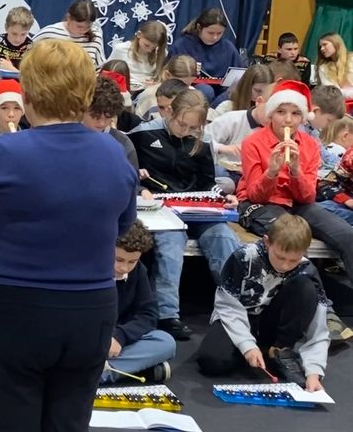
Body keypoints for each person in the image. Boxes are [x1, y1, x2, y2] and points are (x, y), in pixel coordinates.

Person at [0, 39, 138, 432]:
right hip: (91, 308)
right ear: (86, 94)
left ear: (28, 95)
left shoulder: (2, 152)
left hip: (17, 308)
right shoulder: (114, 154)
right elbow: (121, 225)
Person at [128, 89, 242, 341]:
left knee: (224, 238)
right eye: (182, 124)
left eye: (193, 127)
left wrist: (221, 197)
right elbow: (128, 173)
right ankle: (168, 314)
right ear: (168, 111)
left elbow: (208, 182)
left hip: (197, 209)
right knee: (170, 243)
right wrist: (142, 188)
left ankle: (239, 306)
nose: (186, 131)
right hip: (159, 210)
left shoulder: (203, 140)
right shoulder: (142, 134)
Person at [235, 79, 353, 299]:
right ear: (271, 113)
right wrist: (271, 172)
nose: (288, 120)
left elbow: (307, 196)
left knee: (347, 235)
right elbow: (254, 195)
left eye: (295, 114)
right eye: (281, 112)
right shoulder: (253, 142)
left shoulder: (309, 144)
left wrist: (296, 171)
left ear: (303, 117)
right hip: (262, 204)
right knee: (292, 239)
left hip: (298, 203)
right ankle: (317, 304)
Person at [195, 214, 329, 390]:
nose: (286, 266)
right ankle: (255, 350)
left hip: (271, 324)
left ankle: (280, 350)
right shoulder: (243, 257)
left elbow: (318, 327)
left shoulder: (306, 270)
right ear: (267, 242)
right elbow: (227, 306)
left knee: (306, 286)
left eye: (293, 260)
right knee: (212, 362)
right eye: (280, 257)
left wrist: (314, 371)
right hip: (239, 318)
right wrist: (247, 345)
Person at [101, 221, 176, 384]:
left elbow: (148, 314)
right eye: (118, 259)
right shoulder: (86, 269)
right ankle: (107, 372)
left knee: (165, 342)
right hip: (87, 339)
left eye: (132, 261)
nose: (124, 268)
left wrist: (120, 336)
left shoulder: (138, 271)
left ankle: (101, 373)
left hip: (114, 342)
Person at [169, 8, 248, 101]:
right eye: (210, 33)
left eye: (219, 33)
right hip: (190, 93)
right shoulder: (182, 45)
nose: (215, 37)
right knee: (206, 91)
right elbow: (169, 75)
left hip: (221, 95)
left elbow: (239, 75)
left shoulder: (228, 47)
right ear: (199, 28)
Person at [32, 0, 106, 68]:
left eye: (88, 27)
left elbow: (100, 67)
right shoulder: (49, 33)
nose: (83, 31)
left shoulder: (96, 36)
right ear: (69, 18)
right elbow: (26, 55)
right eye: (79, 26)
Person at [107, 20, 168, 94]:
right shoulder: (121, 49)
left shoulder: (161, 53)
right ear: (139, 35)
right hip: (124, 91)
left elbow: (161, 77)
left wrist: (156, 83)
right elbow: (108, 72)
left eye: (153, 48)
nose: (149, 50)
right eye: (146, 45)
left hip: (148, 91)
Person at [134, 56, 198, 120]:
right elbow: (139, 125)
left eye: (187, 85)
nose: (182, 89)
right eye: (177, 84)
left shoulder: (194, 96)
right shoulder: (148, 96)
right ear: (167, 75)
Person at [209, 63, 274, 120]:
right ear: (247, 86)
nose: (261, 96)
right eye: (257, 90)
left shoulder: (270, 107)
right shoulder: (226, 103)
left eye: (266, 92)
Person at [0, 6, 34, 70]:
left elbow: (32, 78)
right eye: (14, 34)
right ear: (6, 27)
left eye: (23, 34)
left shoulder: (32, 49)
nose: (18, 39)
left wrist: (11, 69)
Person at [317, 32, 353, 99]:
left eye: (325, 44)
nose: (321, 49)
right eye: (320, 47)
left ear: (336, 44)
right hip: (340, 105)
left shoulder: (351, 59)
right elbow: (332, 92)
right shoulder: (323, 68)